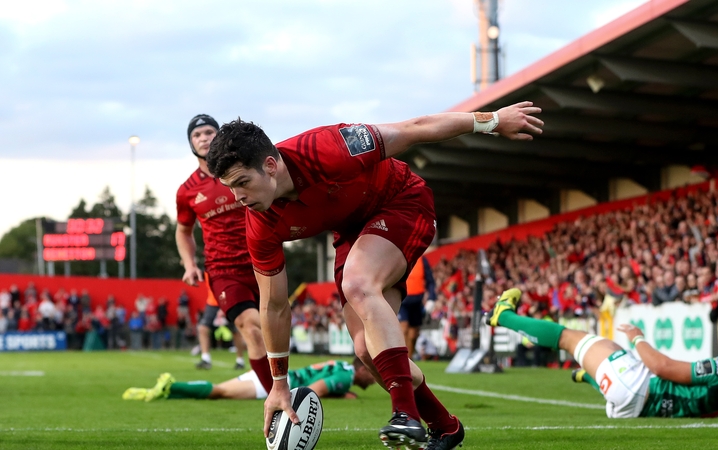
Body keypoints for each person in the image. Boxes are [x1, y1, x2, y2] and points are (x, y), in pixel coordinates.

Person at [206, 102, 543, 449]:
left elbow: (415, 127)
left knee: (358, 284)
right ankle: (445, 427)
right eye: (231, 188)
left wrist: (493, 121)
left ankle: (404, 415)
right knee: (366, 349)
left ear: (271, 166)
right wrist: (279, 385)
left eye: (243, 183)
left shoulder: (327, 148)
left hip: (403, 201)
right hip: (352, 233)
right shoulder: (260, 225)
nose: (238, 198)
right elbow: (274, 306)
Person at [487, 288, 718, 418]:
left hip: (639, 387)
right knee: (610, 350)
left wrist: (638, 337)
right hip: (639, 408)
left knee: (570, 338)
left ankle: (503, 316)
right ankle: (588, 375)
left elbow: (662, 366)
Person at [175, 114, 272, 390]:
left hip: (263, 259)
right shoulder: (187, 191)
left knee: (272, 331)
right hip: (223, 269)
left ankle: (278, 385)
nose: (203, 138)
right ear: (191, 143)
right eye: (197, 135)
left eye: (208, 132)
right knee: (251, 328)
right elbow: (183, 231)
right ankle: (276, 398)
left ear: (219, 136)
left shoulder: (244, 171)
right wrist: (189, 264)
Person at [122, 358, 376, 402]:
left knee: (221, 391)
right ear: (362, 369)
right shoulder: (345, 375)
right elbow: (312, 391)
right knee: (220, 392)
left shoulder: (342, 367)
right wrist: (341, 394)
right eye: (373, 373)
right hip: (274, 383)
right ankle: (171, 385)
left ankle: (171, 391)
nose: (375, 380)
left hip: (272, 376)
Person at [399, 256, 436, 359]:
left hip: (417, 301)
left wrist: (432, 298)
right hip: (402, 300)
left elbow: (430, 281)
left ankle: (409, 358)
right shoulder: (398, 254)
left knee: (413, 334)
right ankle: (403, 360)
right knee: (404, 328)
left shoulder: (422, 260)